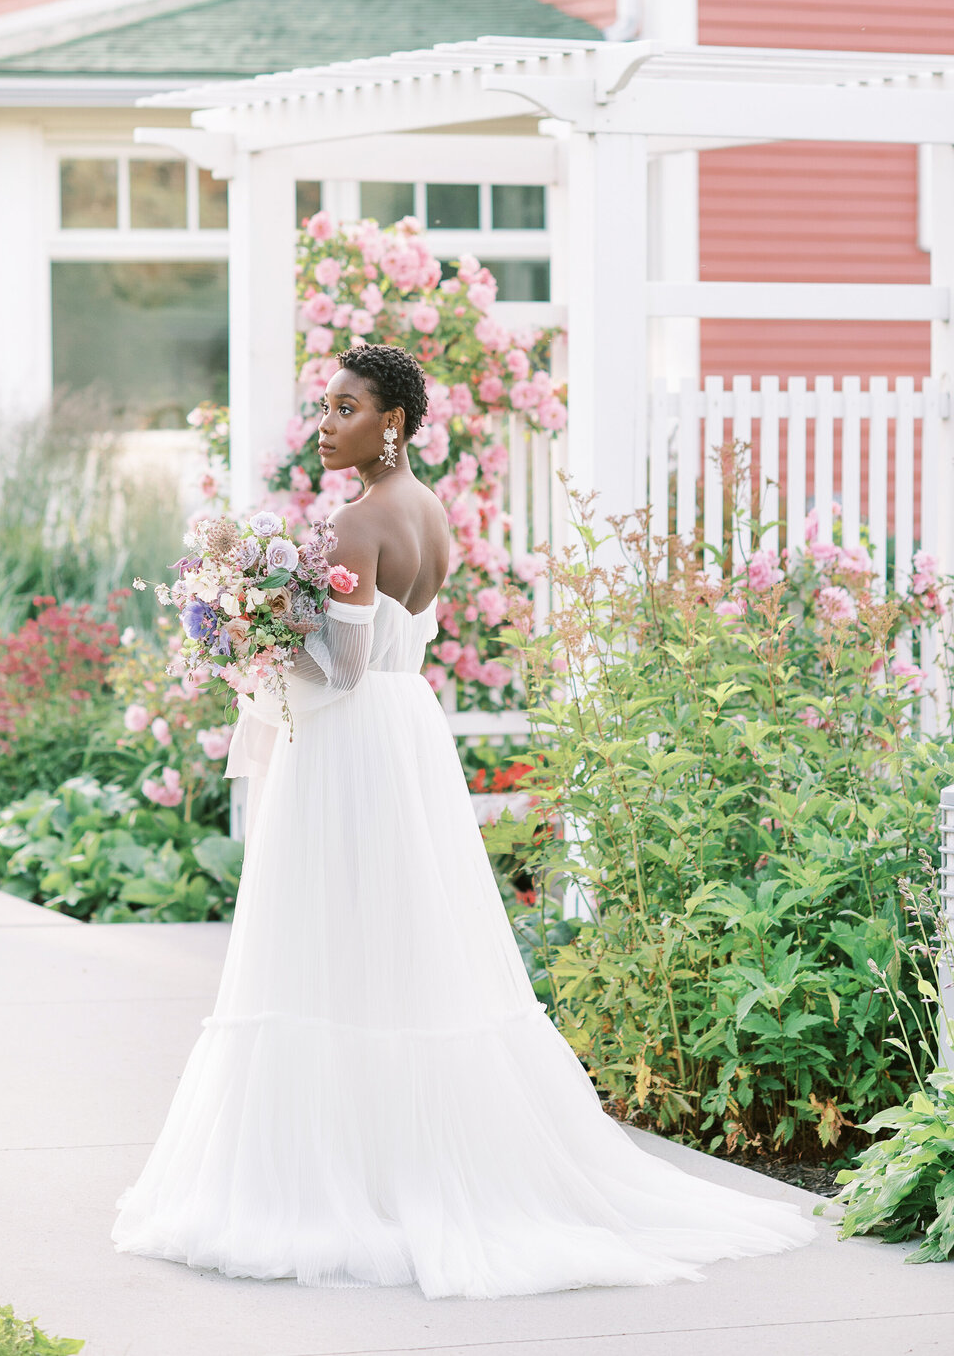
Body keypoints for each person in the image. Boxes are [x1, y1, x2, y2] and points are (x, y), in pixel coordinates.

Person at [113, 345, 816, 1297]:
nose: (326, 423)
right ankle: (389, 1154)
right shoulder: (431, 508)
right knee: (405, 946)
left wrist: (250, 633)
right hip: (408, 734)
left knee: (328, 938)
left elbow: (345, 668)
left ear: (391, 421)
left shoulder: (359, 522)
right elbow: (385, 646)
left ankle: (346, 1176)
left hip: (355, 744)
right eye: (325, 406)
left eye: (346, 407)